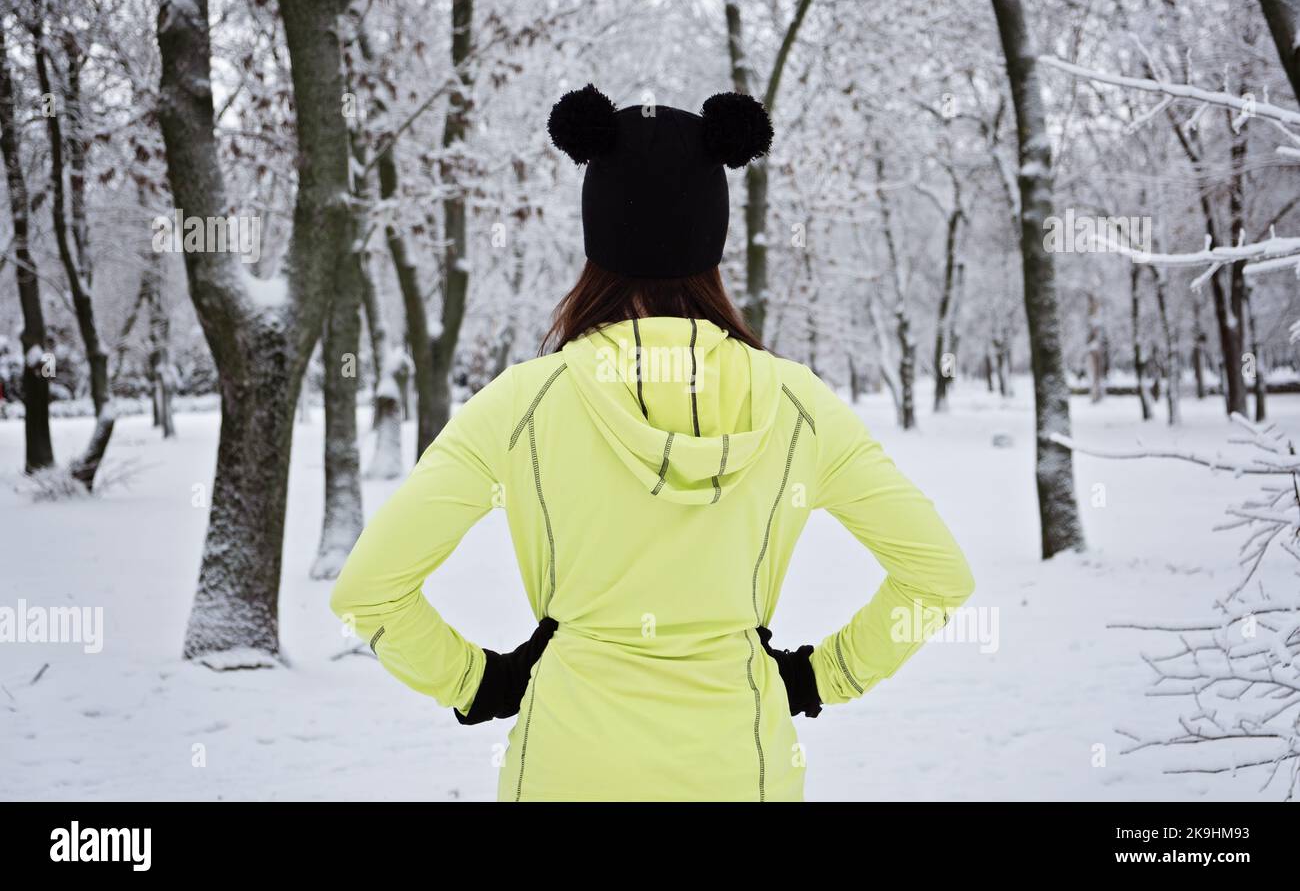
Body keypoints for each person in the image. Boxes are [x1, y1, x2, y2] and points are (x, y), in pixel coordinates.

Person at [330, 84, 975, 801]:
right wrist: (819, 676)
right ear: (714, 234)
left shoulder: (522, 404)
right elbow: (938, 577)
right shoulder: (798, 403)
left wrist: (482, 682)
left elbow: (369, 593)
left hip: (563, 771)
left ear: (595, 233)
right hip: (742, 771)